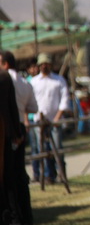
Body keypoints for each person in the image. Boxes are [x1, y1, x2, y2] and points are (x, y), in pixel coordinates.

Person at [0, 51, 36, 223]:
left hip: (8, 131)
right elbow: (33, 108)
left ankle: (13, 215)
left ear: (5, 63)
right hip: (18, 127)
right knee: (19, 176)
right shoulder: (24, 82)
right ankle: (24, 215)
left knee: (9, 177)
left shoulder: (5, 78)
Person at [30, 53, 70, 185]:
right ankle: (47, 176)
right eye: (42, 64)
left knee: (57, 149)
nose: (44, 66)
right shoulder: (34, 81)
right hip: (39, 120)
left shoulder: (59, 80)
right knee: (41, 149)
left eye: (46, 63)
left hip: (55, 120)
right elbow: (29, 101)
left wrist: (58, 117)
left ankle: (61, 174)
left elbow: (64, 100)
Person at [0, 69, 25, 223]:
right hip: (8, 133)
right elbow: (12, 107)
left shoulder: (3, 77)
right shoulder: (4, 76)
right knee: (10, 179)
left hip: (6, 133)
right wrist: (17, 132)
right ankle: (13, 217)